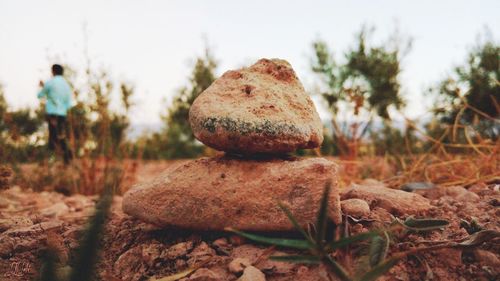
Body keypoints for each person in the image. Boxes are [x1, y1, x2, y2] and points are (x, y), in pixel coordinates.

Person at [37, 64, 73, 164]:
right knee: (61, 135)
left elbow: (40, 95)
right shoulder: (66, 85)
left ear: (53, 71)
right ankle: (67, 157)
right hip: (62, 114)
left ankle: (51, 159)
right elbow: (68, 102)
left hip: (52, 113)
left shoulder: (50, 82)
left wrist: (41, 87)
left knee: (53, 135)